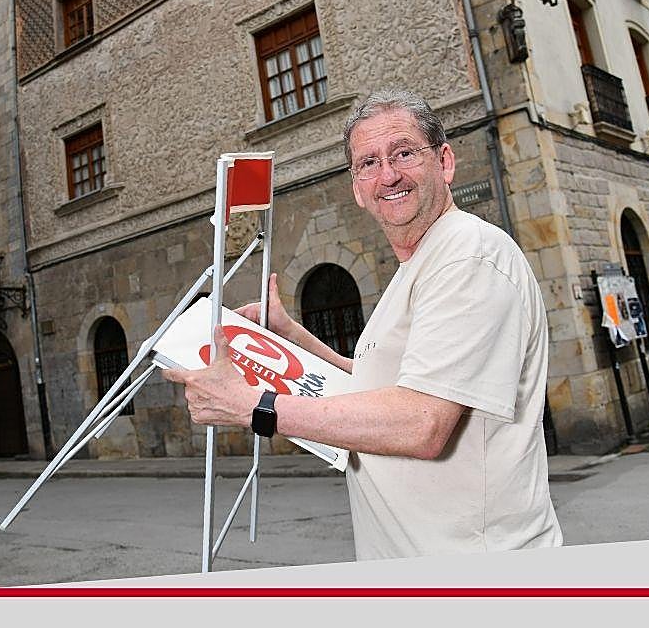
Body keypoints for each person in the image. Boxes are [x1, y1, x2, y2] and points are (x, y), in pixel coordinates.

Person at [162, 90, 562, 558]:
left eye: (404, 153)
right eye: (368, 163)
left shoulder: (468, 255)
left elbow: (422, 422)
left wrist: (254, 406)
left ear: (445, 161)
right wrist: (294, 336)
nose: (387, 175)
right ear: (357, 188)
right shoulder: (420, 264)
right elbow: (382, 385)